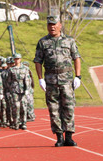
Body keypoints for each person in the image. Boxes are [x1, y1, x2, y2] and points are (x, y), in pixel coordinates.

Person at [33, 15, 81, 147]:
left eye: (54, 24)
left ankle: (69, 137)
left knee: (69, 108)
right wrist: (40, 78)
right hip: (50, 80)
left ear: (60, 25)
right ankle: (59, 136)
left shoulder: (69, 41)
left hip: (66, 80)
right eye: (49, 24)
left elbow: (76, 58)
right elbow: (38, 61)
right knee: (54, 109)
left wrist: (78, 76)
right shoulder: (43, 42)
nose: (52, 27)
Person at [6, 53, 31, 130]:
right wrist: (8, 91)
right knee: (16, 107)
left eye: (18, 59)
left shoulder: (25, 69)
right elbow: (9, 81)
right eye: (15, 59)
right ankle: (16, 123)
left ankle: (23, 123)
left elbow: (27, 80)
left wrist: (27, 90)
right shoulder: (11, 69)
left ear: (20, 59)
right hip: (14, 89)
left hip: (23, 89)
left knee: (23, 106)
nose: (16, 60)